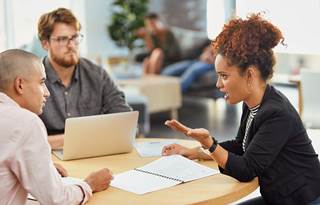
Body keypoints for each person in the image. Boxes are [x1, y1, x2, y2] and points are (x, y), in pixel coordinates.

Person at [162, 14, 320, 205]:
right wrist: (195, 150)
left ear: (250, 75)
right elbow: (240, 145)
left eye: (224, 76)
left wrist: (210, 144)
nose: (218, 84)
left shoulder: (276, 114)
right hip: (279, 198)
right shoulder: (255, 103)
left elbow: (246, 170)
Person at [0, 49, 113, 205]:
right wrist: (90, 184)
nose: (46, 93)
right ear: (20, 85)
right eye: (41, 82)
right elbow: (57, 200)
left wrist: (39, 166)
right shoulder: (26, 122)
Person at [37, 8, 131, 149]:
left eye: (75, 37)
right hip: (49, 159)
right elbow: (24, 139)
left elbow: (125, 122)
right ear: (45, 43)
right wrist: (70, 140)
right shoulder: (33, 79)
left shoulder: (97, 75)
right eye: (63, 39)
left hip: (93, 152)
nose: (71, 45)